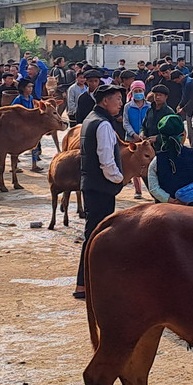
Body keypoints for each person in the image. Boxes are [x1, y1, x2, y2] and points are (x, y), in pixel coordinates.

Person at [73, 84, 126, 299]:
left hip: (92, 185)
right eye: (117, 99)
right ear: (105, 101)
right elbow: (106, 161)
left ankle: (85, 284)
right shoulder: (102, 125)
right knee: (97, 236)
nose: (120, 103)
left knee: (93, 234)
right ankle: (86, 284)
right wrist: (119, 178)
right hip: (100, 188)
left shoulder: (91, 120)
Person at [147, 114, 193, 207]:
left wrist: (169, 200)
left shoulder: (156, 160)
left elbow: (153, 188)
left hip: (166, 212)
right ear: (183, 135)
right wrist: (187, 199)